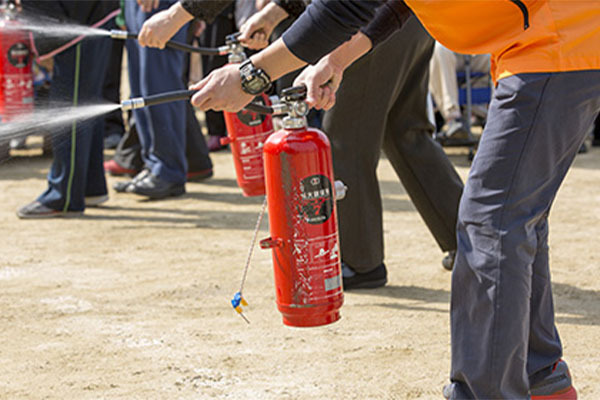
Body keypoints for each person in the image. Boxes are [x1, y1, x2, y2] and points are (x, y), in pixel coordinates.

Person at [183, 1, 600, 398]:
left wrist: (251, 74)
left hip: (557, 44)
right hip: (549, 42)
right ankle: (542, 379)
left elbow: (342, 8)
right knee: (512, 216)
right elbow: (397, 3)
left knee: (491, 224)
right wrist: (337, 58)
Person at [240, 0, 462, 287]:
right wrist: (272, 15)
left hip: (369, 23)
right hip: (408, 17)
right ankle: (469, 241)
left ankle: (360, 261)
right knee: (406, 132)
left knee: (347, 138)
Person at [17, 0, 118, 218]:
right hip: (94, 16)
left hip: (75, 23)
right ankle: (91, 186)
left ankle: (64, 194)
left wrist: (48, 46)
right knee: (86, 103)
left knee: (69, 107)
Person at [428, 42, 490, 142]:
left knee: (494, 55)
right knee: (439, 49)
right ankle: (453, 119)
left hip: (471, 49)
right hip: (447, 47)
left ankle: (481, 114)